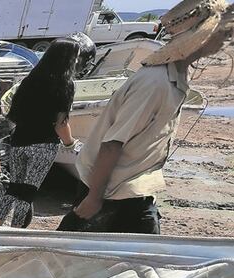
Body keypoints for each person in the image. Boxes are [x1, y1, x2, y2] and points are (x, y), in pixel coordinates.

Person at [58, 0, 234, 234]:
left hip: (134, 185)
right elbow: (112, 144)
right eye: (221, 33)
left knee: (136, 258)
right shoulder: (155, 83)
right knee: (80, 255)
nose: (225, 40)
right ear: (203, 38)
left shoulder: (176, 76)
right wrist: (94, 198)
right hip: (113, 190)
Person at [0, 39, 82, 228]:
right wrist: (70, 144)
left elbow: (14, 113)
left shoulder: (30, 80)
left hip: (19, 141)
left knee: (14, 187)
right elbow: (61, 123)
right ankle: (16, 230)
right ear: (69, 59)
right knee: (27, 191)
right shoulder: (66, 84)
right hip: (43, 145)